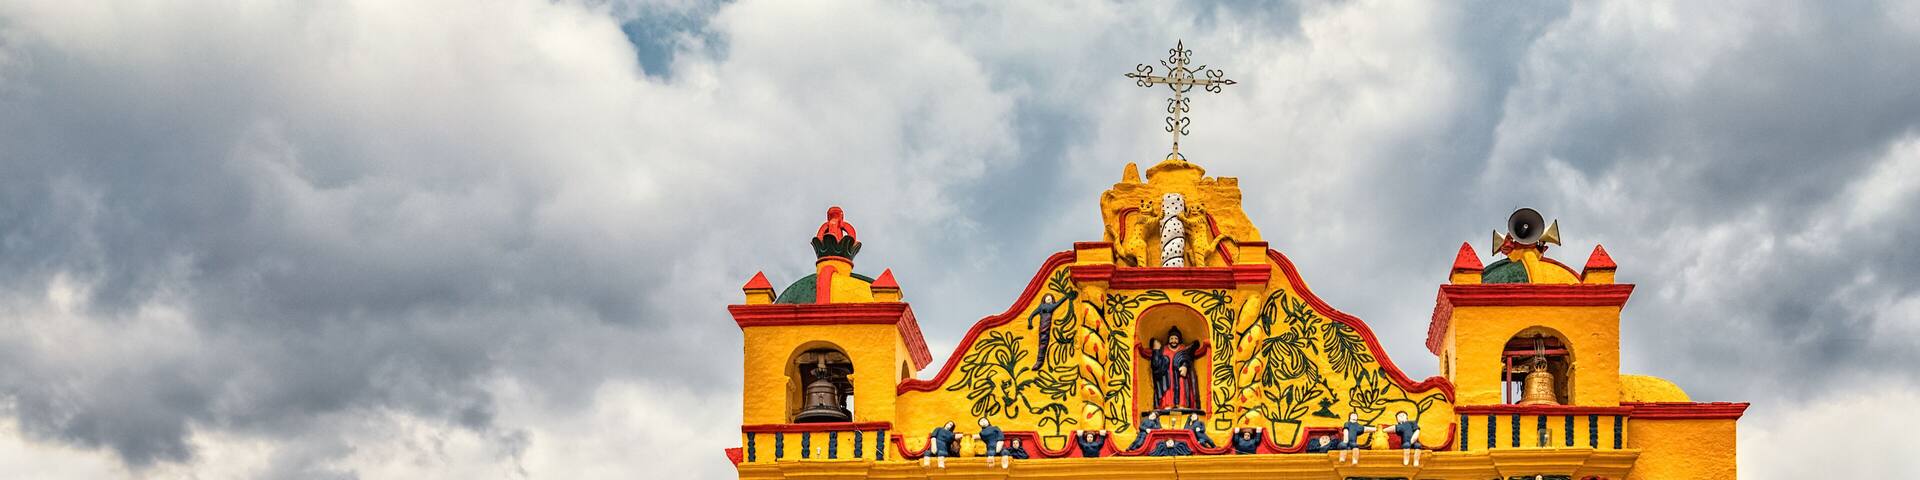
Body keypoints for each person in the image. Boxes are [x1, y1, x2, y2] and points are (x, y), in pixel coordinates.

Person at [1028, 291, 1077, 370]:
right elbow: (1031, 315)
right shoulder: (1042, 306)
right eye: (1047, 298)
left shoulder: (1051, 306)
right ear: (1044, 299)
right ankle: (1039, 361)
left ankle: (1040, 361)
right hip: (1042, 327)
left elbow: (1058, 303)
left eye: (1050, 298)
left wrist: (1066, 296)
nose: (1049, 299)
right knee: (1043, 344)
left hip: (1047, 328)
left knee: (1044, 344)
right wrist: (1030, 322)